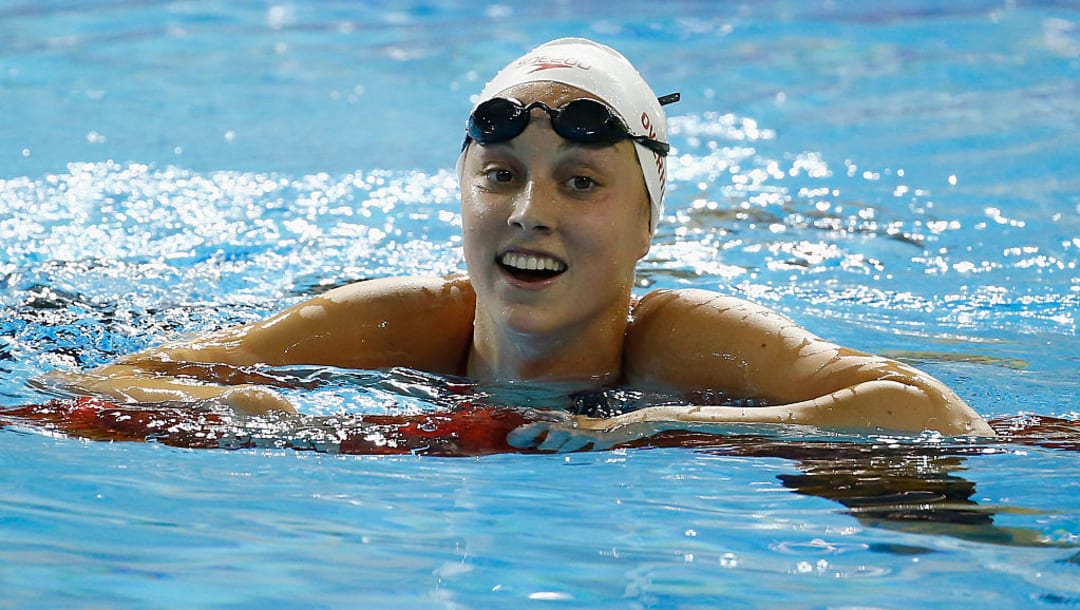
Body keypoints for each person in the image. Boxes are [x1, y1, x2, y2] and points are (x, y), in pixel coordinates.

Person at [46, 38, 995, 441]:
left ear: (645, 223)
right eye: (499, 176)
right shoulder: (389, 327)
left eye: (580, 183)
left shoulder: (684, 342)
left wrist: (671, 420)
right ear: (461, 198)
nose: (527, 210)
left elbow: (937, 416)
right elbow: (104, 378)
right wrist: (255, 407)